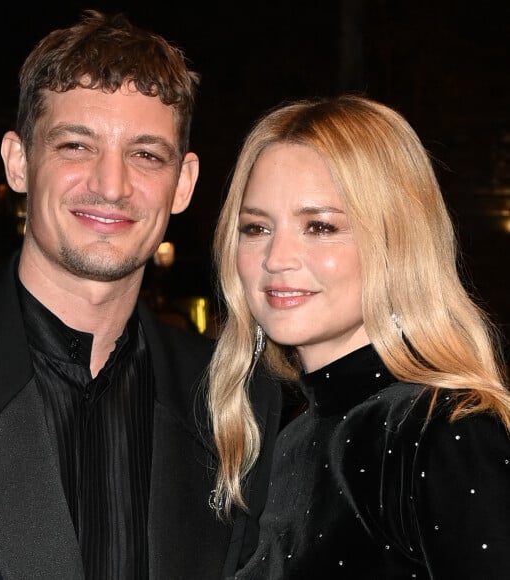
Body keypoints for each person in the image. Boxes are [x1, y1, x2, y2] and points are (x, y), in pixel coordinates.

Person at [0, 11, 281, 580]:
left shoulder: (234, 404)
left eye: (145, 155)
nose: (111, 185)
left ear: (184, 183)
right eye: (75, 145)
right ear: (19, 162)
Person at [208, 94, 510, 579]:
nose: (277, 257)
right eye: (257, 227)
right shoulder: (288, 437)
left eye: (320, 226)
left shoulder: (447, 430)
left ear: (396, 240)